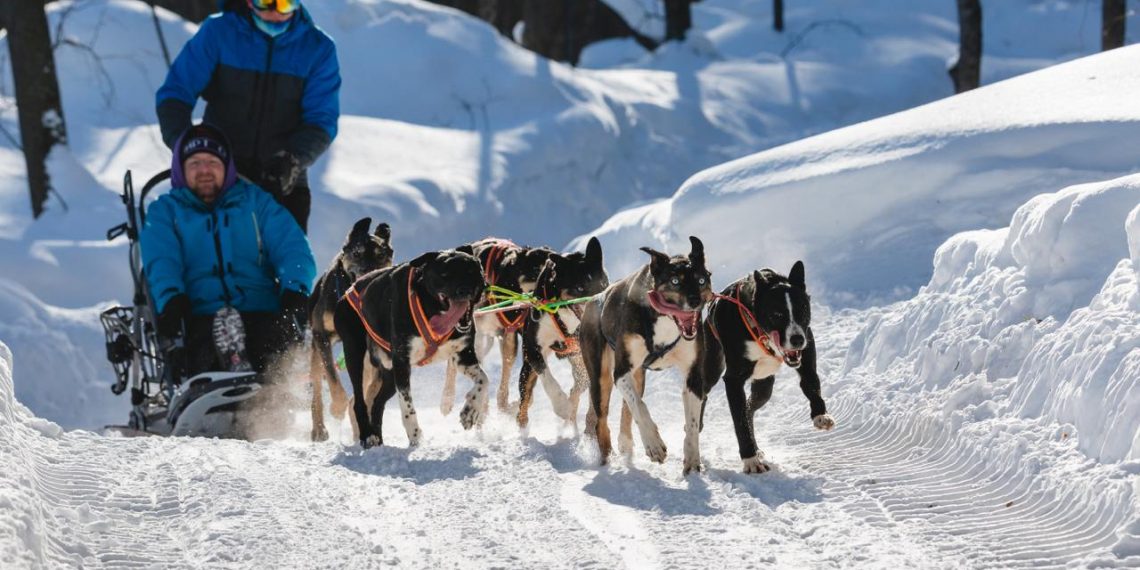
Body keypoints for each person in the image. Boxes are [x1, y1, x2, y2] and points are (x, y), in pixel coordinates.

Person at [141, 123, 317, 377]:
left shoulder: (256, 202)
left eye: (212, 162)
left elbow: (293, 247)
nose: (204, 170)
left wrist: (295, 289)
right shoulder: (165, 212)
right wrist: (171, 298)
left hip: (260, 309)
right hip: (200, 314)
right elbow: (161, 259)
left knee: (274, 338)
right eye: (195, 164)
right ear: (180, 170)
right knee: (205, 342)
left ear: (226, 166)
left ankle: (262, 380)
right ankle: (234, 369)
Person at [155, 0, 340, 233]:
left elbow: (321, 120)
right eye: (265, 2)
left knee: (291, 264)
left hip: (283, 183)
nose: (274, 12)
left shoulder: (318, 48)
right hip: (217, 176)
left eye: (283, 3)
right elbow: (175, 94)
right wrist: (188, 147)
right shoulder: (218, 33)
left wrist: (291, 160)